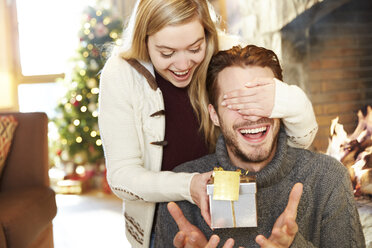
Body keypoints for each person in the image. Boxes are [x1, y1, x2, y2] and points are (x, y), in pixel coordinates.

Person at [98, 0, 318, 247]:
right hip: (163, 222)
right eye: (166, 53)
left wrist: (287, 98)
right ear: (144, 41)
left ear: (207, 34)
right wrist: (189, 185)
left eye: (195, 48)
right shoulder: (120, 74)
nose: (183, 66)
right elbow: (121, 177)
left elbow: (300, 140)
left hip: (236, 211)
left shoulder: (229, 54)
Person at [154, 45, 366, 248]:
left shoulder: (327, 178)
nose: (253, 114)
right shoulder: (183, 191)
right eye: (235, 102)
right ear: (214, 115)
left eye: (261, 100)